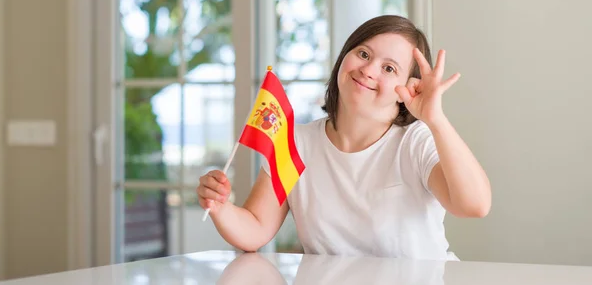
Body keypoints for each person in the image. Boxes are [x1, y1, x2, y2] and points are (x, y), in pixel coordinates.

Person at [196, 15, 491, 261]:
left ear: (408, 90)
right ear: (344, 58)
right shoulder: (296, 142)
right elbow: (256, 229)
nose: (368, 69)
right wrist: (221, 207)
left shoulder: (414, 141)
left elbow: (474, 206)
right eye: (363, 53)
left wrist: (435, 119)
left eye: (389, 68)